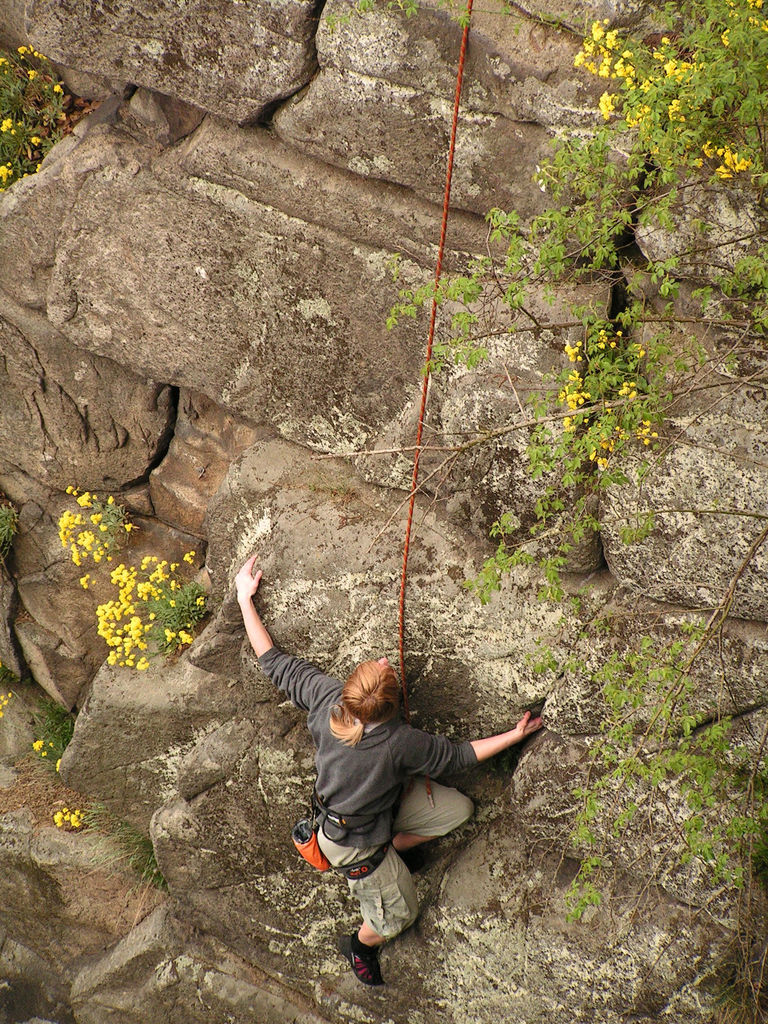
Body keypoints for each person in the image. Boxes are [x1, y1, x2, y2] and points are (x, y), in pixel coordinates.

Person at [235, 556, 543, 987]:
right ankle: (361, 944)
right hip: (354, 844)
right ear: (393, 707)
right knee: (399, 914)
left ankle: (395, 847)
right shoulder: (400, 743)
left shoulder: (328, 701)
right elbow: (457, 756)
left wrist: (243, 599)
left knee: (457, 810)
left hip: (372, 814)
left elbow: (274, 662)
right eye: (381, 667)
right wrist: (513, 737)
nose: (384, 659)